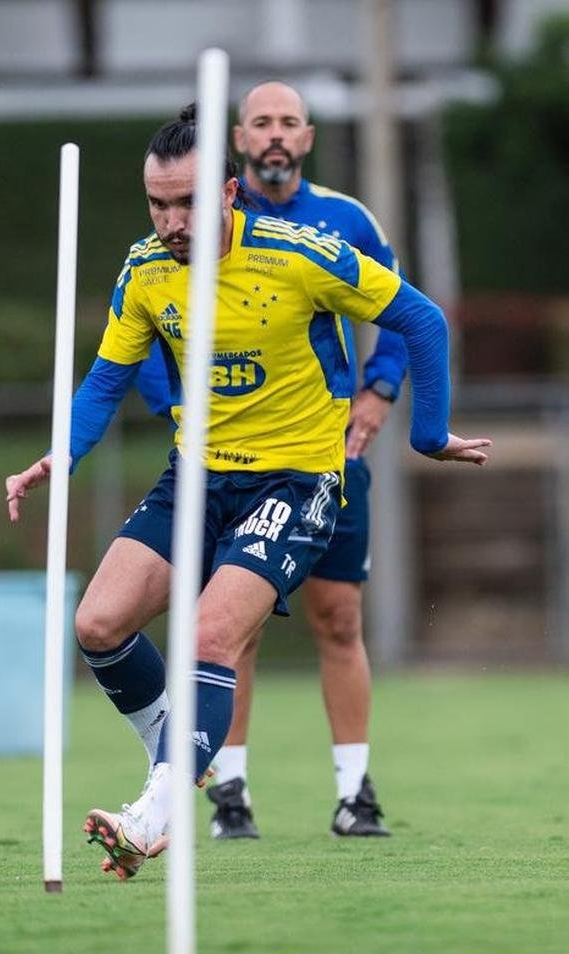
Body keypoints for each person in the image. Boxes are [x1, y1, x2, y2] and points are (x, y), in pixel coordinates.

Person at [6, 104, 490, 882]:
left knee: (208, 637)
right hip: (196, 476)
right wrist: (59, 454)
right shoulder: (146, 270)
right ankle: (180, 747)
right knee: (96, 622)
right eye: (157, 203)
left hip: (297, 481)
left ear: (229, 194)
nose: (170, 221)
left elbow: (422, 319)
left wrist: (427, 433)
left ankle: (152, 813)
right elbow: (106, 378)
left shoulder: (302, 255)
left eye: (187, 203)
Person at [135, 81, 407, 840]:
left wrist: (379, 394)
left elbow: (401, 310)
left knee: (339, 616)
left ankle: (355, 792)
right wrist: (182, 412)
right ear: (238, 141)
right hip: (228, 464)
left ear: (309, 137)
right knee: (230, 624)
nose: (276, 135)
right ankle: (231, 791)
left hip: (327, 455)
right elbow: (144, 336)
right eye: (262, 123)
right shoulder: (196, 226)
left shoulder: (346, 219)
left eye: (290, 122)